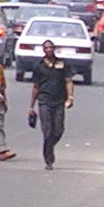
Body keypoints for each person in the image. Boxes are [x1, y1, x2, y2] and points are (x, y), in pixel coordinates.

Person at [30, 39, 75, 169]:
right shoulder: (38, 66)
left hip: (59, 100)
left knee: (59, 130)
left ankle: (48, 146)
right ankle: (49, 159)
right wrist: (31, 106)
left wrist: (70, 97)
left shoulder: (62, 64)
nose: (49, 50)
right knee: (47, 130)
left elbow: (68, 81)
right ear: (43, 50)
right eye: (46, 48)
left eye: (51, 47)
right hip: (44, 100)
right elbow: (36, 87)